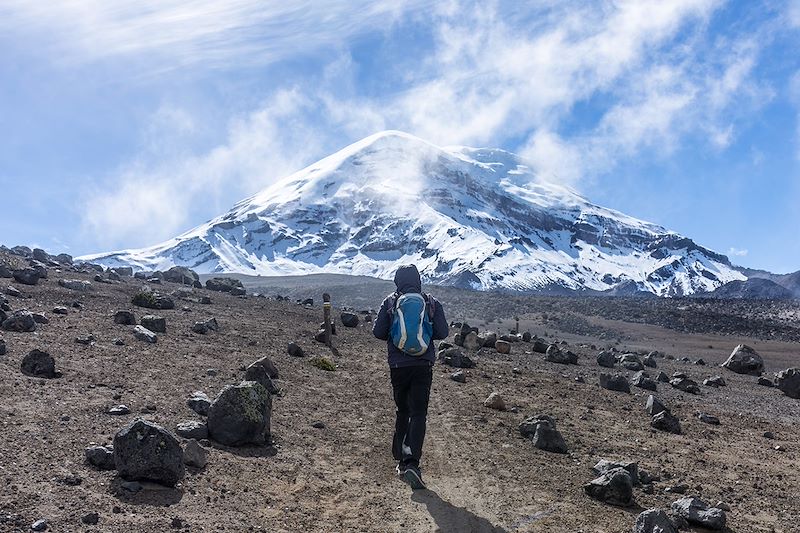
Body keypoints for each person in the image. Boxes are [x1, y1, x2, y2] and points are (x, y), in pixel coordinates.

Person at [372, 264, 448, 489]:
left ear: (397, 281)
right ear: (418, 280)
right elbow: (443, 332)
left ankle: (401, 456)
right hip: (423, 365)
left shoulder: (391, 302)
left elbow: (377, 332)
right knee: (418, 413)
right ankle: (411, 462)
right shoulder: (431, 302)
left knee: (402, 410)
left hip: (398, 365)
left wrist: (396, 336)